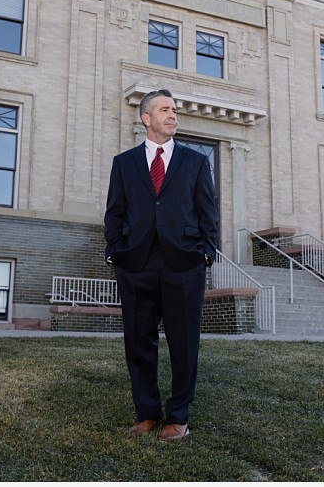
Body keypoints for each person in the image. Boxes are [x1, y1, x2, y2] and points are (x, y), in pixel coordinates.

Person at [104, 89, 219, 442]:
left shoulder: (195, 161)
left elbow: (208, 213)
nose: (173, 115)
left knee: (184, 343)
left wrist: (206, 253)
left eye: (174, 110)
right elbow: (114, 212)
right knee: (138, 342)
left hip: (183, 264)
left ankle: (178, 416)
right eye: (165, 109)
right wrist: (115, 252)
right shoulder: (124, 163)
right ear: (146, 118)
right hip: (136, 264)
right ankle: (148, 413)